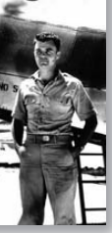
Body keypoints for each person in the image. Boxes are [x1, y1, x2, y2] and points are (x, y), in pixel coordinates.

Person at [11, 32, 97, 225]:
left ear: (58, 54)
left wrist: (75, 151)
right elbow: (17, 119)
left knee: (64, 219)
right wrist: (20, 149)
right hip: (31, 153)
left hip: (60, 153)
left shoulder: (73, 86)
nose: (42, 56)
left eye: (48, 51)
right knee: (30, 217)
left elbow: (91, 120)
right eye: (38, 51)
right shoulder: (25, 86)